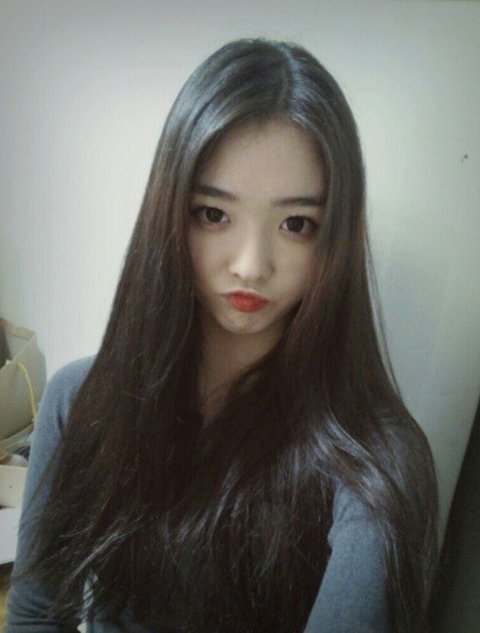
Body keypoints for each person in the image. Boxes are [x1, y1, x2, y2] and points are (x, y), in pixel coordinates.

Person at [6, 38, 438, 633]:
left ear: (334, 237)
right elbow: (35, 614)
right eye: (214, 214)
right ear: (169, 213)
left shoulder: (373, 458)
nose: (251, 265)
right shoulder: (79, 398)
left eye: (296, 224)